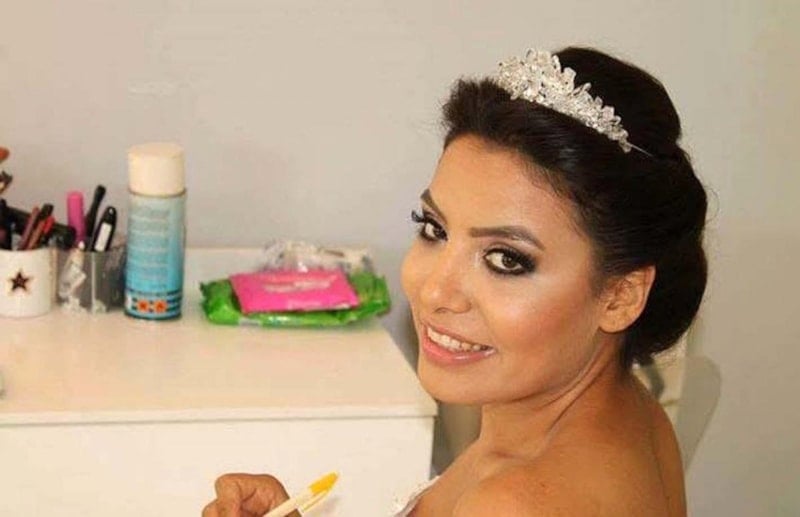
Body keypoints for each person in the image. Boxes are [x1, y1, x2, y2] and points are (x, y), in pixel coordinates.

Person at [202, 46, 707, 517]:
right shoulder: (631, 415)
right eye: (434, 229)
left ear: (620, 296)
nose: (434, 291)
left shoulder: (513, 504)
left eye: (506, 259)